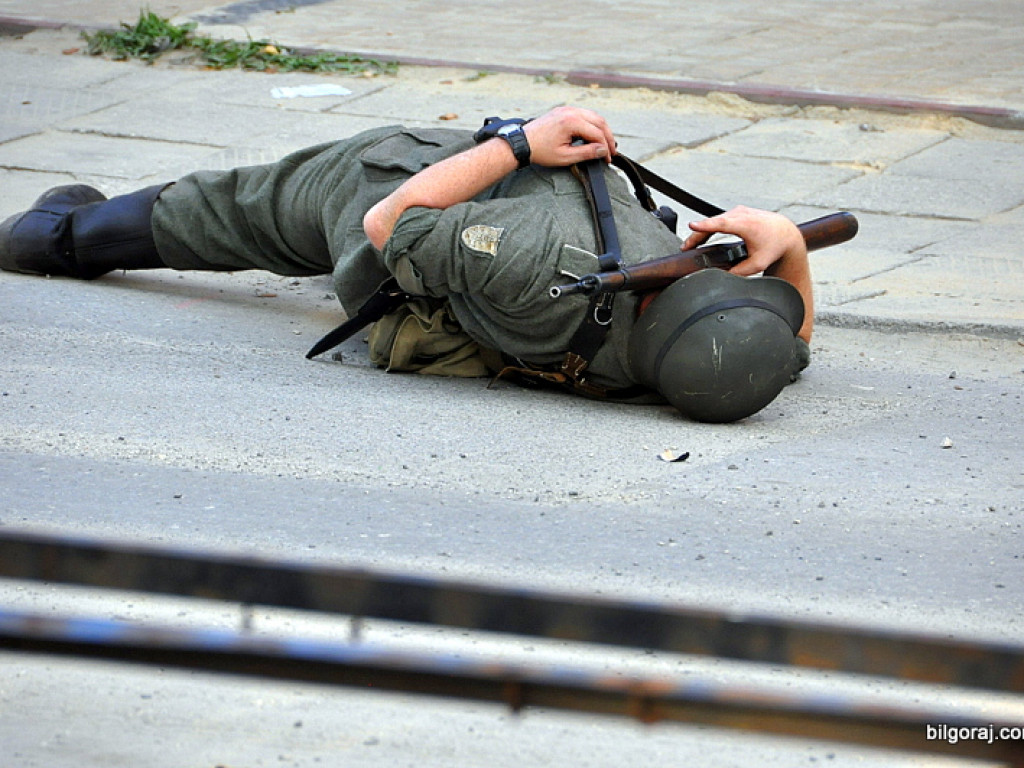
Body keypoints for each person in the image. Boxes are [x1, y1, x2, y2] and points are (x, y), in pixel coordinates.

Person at [0, 106, 812, 422]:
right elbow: (792, 343)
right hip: (477, 245)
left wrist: (517, 144)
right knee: (229, 212)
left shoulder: (544, 266)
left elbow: (393, 224)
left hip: (384, 204)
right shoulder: (702, 362)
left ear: (686, 297)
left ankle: (50, 239)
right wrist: (792, 246)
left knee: (227, 210)